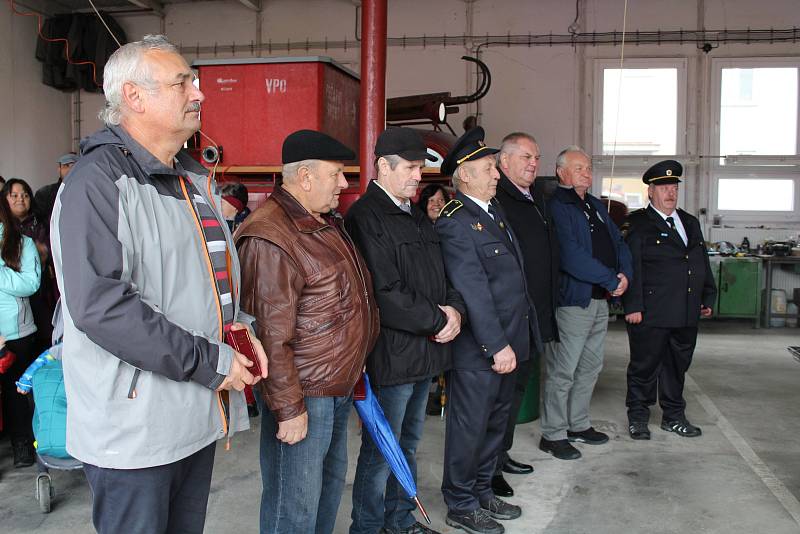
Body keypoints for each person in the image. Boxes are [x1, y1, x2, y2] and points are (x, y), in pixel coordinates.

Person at [50, 35, 267, 534]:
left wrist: (241, 329)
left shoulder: (191, 182)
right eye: (181, 83)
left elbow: (207, 279)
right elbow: (102, 307)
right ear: (134, 96)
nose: (199, 94)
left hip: (191, 414)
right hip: (135, 429)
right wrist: (213, 362)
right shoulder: (97, 183)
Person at [235, 129, 380, 534]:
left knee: (327, 491)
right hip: (304, 395)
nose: (344, 184)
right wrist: (288, 408)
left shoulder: (320, 222)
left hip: (332, 387)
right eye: (337, 174)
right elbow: (269, 333)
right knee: (293, 507)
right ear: (306, 177)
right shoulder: (272, 235)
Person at [346, 127, 465, 534]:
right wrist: (439, 320)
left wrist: (456, 313)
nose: (419, 175)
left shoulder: (415, 216)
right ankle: (367, 526)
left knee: (409, 445)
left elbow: (443, 277)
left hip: (425, 355)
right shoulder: (365, 218)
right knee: (382, 451)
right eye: (411, 167)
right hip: (392, 358)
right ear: (383, 165)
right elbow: (385, 292)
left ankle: (399, 521)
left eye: (420, 167)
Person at [436, 127, 542, 534]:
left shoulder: (491, 211)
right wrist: (497, 345)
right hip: (482, 349)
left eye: (495, 167)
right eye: (487, 168)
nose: (496, 174)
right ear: (464, 175)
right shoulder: (456, 222)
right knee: (470, 426)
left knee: (497, 423)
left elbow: (512, 282)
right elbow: (474, 291)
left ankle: (481, 491)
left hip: (511, 340)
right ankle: (460, 502)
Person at [541, 145, 633, 461]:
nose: (587, 173)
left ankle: (578, 424)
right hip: (573, 302)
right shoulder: (556, 207)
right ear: (561, 172)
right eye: (579, 167)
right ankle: (553, 434)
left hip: (599, 301)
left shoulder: (594, 204)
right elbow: (570, 256)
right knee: (563, 369)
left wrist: (624, 275)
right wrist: (610, 279)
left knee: (591, 366)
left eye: (589, 168)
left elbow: (618, 241)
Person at [622, 160, 716, 440]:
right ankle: (638, 417)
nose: (670, 192)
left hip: (686, 311)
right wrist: (633, 306)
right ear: (650, 192)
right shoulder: (638, 224)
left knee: (677, 367)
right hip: (651, 312)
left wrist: (707, 295)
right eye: (663, 187)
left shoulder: (689, 222)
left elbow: (700, 262)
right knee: (644, 366)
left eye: (673, 187)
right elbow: (631, 267)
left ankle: (673, 417)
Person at [492, 132, 560, 496]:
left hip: (532, 317)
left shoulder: (534, 199)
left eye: (537, 157)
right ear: (504, 162)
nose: (534, 163)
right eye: (526, 157)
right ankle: (490, 468)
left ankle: (501, 456)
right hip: (510, 320)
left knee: (515, 395)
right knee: (500, 400)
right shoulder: (499, 200)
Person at [0, 194, 41, 467]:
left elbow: (30, 283)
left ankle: (22, 445)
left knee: (17, 394)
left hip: (16, 334)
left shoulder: (22, 244)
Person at [3, 178, 55, 352]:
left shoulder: (38, 227)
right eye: (15, 195)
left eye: (25, 195)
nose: (21, 199)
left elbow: (32, 281)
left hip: (34, 305)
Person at [35, 153, 78, 224]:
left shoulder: (86, 192)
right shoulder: (44, 194)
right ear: (59, 169)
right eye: (66, 166)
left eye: (74, 166)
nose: (70, 170)